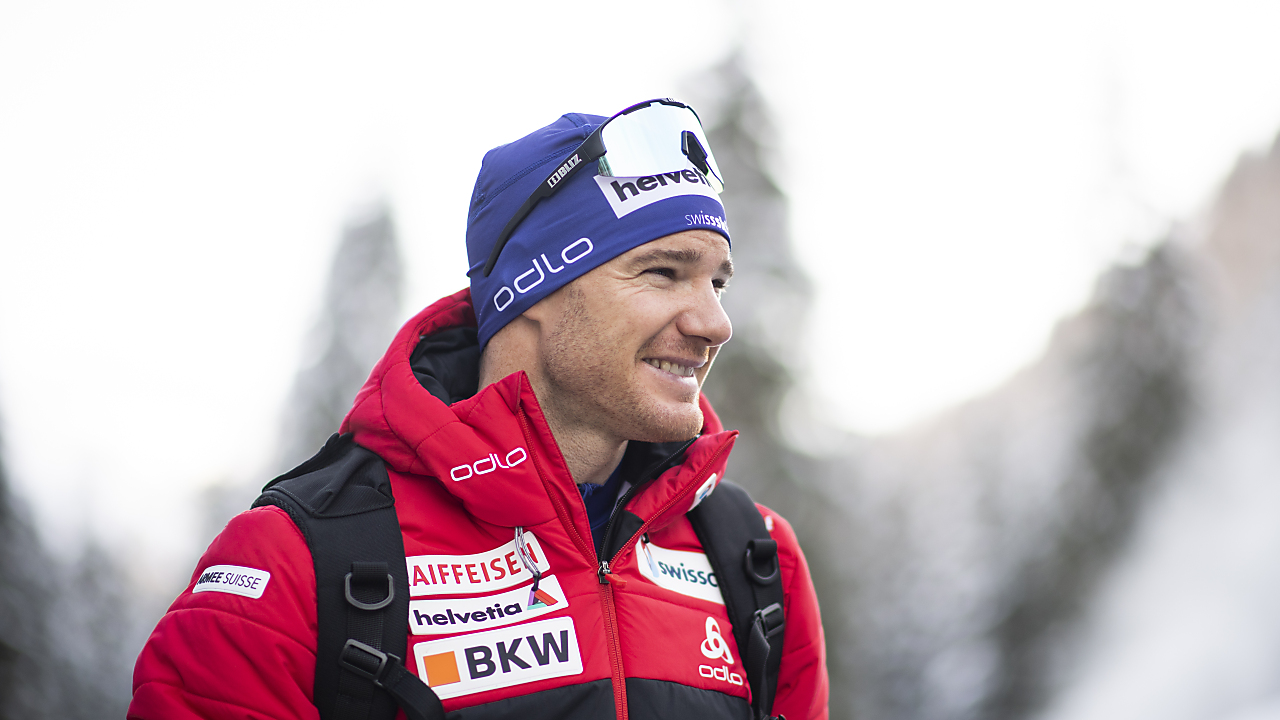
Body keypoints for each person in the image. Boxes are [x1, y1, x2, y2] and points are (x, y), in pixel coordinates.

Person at [129, 99, 828, 719]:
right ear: (535, 287)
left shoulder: (755, 558)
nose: (715, 324)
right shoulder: (294, 565)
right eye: (664, 273)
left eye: (717, 283)